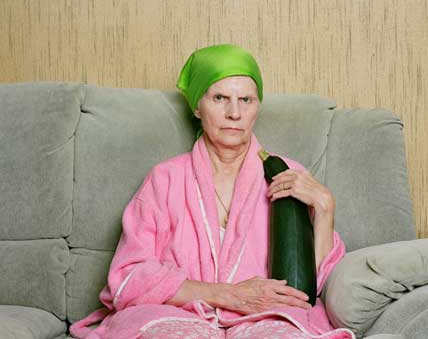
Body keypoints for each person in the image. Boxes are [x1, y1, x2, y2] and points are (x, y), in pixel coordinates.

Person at [70, 44, 355, 339]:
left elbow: (308, 288)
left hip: (266, 318)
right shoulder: (165, 179)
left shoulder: (289, 177)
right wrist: (227, 295)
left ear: (258, 107)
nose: (235, 113)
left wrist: (325, 208)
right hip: (177, 314)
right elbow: (129, 279)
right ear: (197, 106)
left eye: (246, 99)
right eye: (220, 98)